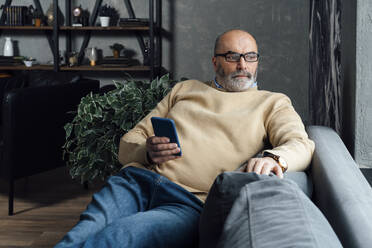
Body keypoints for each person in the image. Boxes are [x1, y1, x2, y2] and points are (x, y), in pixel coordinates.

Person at [55, 29, 314, 248]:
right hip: (136, 182)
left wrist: (274, 159)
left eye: (250, 57)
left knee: (116, 237)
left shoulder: (272, 102)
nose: (243, 65)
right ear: (215, 62)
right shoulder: (185, 90)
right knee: (81, 233)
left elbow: (301, 143)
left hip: (188, 203)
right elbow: (130, 140)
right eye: (232, 56)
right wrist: (146, 150)